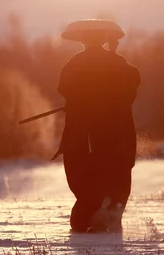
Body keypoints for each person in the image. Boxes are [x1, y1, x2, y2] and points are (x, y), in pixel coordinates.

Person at [55, 19, 140, 233]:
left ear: (83, 40)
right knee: (117, 173)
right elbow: (132, 85)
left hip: (85, 132)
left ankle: (91, 214)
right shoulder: (119, 63)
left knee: (83, 176)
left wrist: (79, 102)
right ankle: (111, 210)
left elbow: (65, 89)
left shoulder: (75, 63)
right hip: (118, 132)